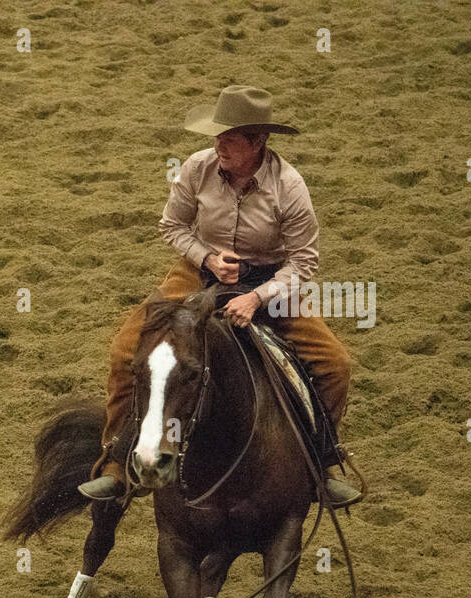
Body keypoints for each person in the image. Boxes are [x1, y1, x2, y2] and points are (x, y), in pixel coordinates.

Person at [78, 85, 362, 506]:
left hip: (268, 278)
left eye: (229, 138)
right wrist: (207, 258)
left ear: (258, 141)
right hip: (196, 274)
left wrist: (257, 298)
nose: (219, 145)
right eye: (217, 136)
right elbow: (171, 226)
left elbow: (303, 261)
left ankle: (320, 461)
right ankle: (115, 463)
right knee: (125, 351)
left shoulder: (289, 187)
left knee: (335, 365)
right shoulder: (197, 168)